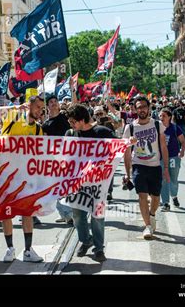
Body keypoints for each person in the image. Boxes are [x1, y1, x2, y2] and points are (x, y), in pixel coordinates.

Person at [0, 96, 44, 263]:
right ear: (29, 106)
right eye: (38, 107)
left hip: (25, 178)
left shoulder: (37, 129)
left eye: (42, 108)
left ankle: (28, 250)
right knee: (7, 213)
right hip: (6, 176)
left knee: (27, 213)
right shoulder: (14, 116)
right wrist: (16, 107)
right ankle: (10, 248)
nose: (40, 111)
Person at [65, 104, 115, 262]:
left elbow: (117, 149)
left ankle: (99, 248)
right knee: (78, 215)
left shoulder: (103, 132)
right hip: (77, 182)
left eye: (73, 121)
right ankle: (85, 241)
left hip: (99, 183)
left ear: (82, 119)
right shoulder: (71, 134)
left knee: (97, 216)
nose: (71, 125)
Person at [123, 96, 170, 239]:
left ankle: (152, 214)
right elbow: (126, 152)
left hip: (155, 166)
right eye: (138, 107)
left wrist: (166, 167)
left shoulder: (157, 124)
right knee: (142, 196)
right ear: (135, 110)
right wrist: (127, 173)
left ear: (148, 108)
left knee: (155, 197)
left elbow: (163, 146)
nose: (141, 109)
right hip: (139, 165)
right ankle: (148, 226)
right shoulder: (130, 128)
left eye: (144, 106)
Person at [42, 95, 72, 224]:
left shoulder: (65, 118)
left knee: (67, 186)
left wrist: (73, 90)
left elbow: (75, 107)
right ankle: (64, 213)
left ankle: (69, 213)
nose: (54, 104)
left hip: (67, 156)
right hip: (53, 158)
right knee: (55, 187)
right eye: (51, 102)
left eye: (55, 102)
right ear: (47, 106)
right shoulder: (45, 124)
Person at [159, 108, 185, 211]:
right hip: (161, 158)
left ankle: (174, 196)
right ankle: (165, 202)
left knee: (173, 178)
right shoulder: (157, 129)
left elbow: (183, 141)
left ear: (169, 117)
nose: (161, 118)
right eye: (160, 116)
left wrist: (182, 151)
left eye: (164, 116)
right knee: (164, 179)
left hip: (173, 157)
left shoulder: (175, 128)